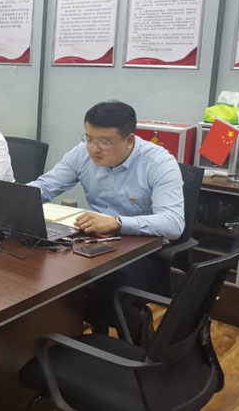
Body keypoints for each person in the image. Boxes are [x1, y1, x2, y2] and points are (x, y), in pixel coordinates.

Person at [27, 100, 185, 341]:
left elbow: (173, 223)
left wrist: (117, 223)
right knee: (41, 266)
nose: (94, 149)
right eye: (89, 138)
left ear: (129, 140)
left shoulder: (159, 163)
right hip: (93, 241)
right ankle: (64, 338)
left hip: (141, 251)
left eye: (104, 142)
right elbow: (47, 186)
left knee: (102, 286)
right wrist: (17, 197)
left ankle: (131, 347)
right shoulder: (81, 153)